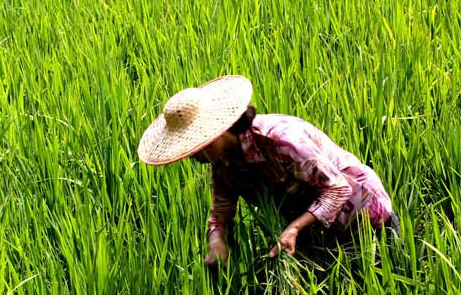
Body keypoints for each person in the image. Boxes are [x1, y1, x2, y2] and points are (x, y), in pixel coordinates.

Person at [137, 75, 397, 267]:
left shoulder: (282, 141)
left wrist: (294, 228)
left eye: (196, 146)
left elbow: (339, 188)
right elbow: (220, 212)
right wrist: (217, 241)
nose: (192, 155)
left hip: (363, 213)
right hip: (315, 229)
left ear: (219, 131)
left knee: (381, 284)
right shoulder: (223, 164)